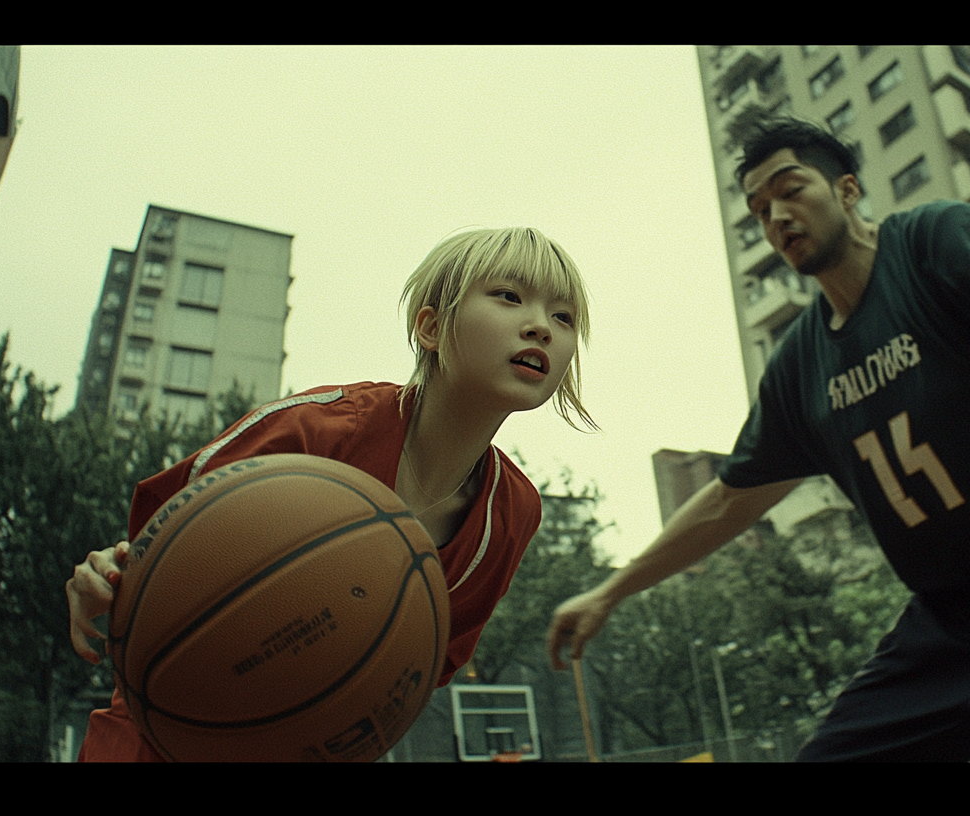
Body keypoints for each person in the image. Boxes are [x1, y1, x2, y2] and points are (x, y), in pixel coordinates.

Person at [547, 118, 970, 761]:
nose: (776, 217)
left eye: (790, 191)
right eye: (760, 211)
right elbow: (729, 501)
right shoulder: (798, 368)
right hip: (952, 627)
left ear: (847, 188)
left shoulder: (935, 243)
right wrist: (612, 590)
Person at [67, 226, 592, 761]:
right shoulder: (317, 430)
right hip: (161, 738)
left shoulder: (514, 513)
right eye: (509, 296)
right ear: (431, 327)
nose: (541, 327)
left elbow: (418, 668)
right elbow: (164, 553)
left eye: (563, 317)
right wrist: (112, 575)